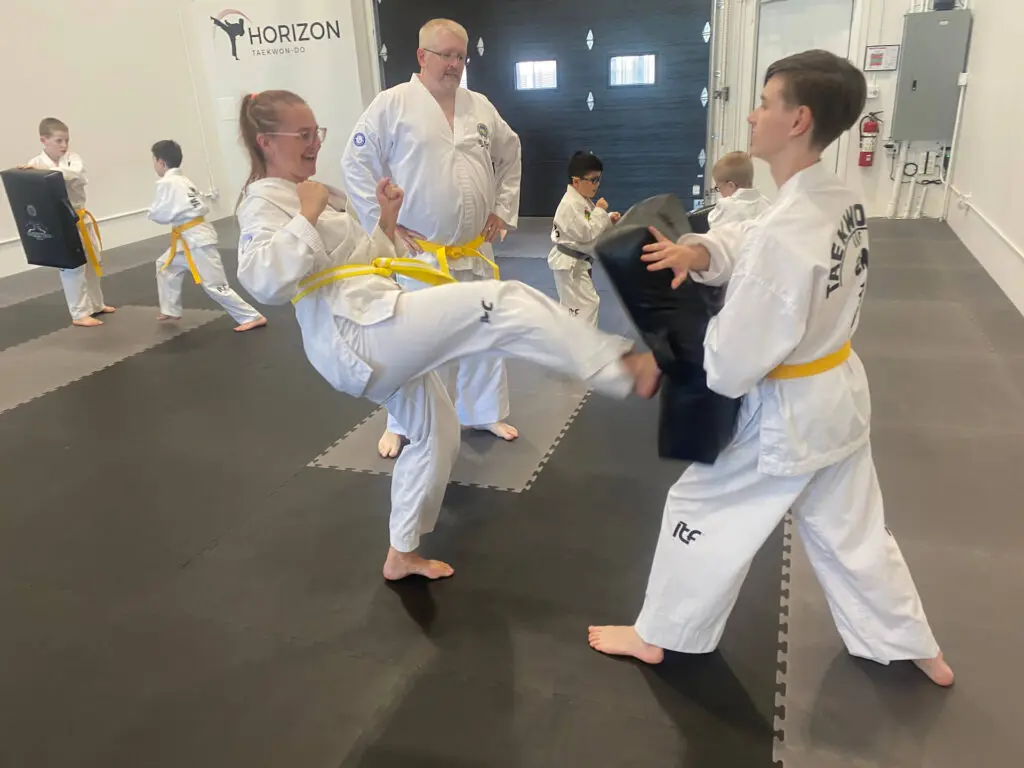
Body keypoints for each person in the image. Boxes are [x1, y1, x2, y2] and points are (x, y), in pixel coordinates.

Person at [588, 50, 954, 687]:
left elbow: (730, 365)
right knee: (854, 531)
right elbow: (754, 235)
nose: (753, 115)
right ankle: (907, 643)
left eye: (764, 102)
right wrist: (701, 251)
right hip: (839, 398)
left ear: (798, 120)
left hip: (788, 418)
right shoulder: (836, 197)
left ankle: (658, 635)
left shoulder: (787, 233)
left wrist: (674, 342)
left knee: (698, 507)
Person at [233, 89, 660, 582]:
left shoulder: (315, 192)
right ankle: (617, 367)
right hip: (356, 333)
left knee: (437, 431)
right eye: (303, 135)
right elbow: (263, 280)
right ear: (267, 141)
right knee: (502, 302)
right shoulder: (263, 201)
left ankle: (401, 553)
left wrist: (386, 221)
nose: (314, 144)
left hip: (370, 318)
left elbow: (355, 263)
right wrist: (305, 216)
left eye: (317, 133)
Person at [341, 17, 522, 460]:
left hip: (475, 250)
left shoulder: (479, 106)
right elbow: (354, 163)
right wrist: (384, 223)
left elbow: (510, 151)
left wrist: (502, 207)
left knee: (484, 333)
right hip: (420, 253)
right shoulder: (393, 104)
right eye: (446, 55)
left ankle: (481, 411)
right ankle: (403, 423)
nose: (455, 64)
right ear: (422, 56)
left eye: (461, 56)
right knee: (415, 343)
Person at [148, 140, 266, 331]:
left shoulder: (167, 183)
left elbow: (161, 213)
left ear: (161, 162)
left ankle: (251, 316)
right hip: (189, 237)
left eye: (154, 161)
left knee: (215, 285)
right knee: (165, 266)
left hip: (196, 238)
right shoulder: (183, 180)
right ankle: (170, 309)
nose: (154, 165)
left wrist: (152, 213)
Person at [22, 118, 115, 327]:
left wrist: (42, 174)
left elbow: (77, 174)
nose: (64, 145)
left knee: (93, 261)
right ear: (44, 140)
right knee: (73, 267)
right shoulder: (35, 163)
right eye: (59, 141)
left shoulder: (73, 158)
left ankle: (96, 304)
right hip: (59, 221)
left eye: (66, 140)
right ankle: (79, 313)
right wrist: (33, 174)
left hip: (81, 217)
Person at [547, 151, 621, 326]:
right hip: (568, 264)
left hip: (576, 262)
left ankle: (579, 339)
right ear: (576, 181)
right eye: (593, 180)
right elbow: (587, 232)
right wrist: (601, 211)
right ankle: (580, 340)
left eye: (598, 179)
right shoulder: (570, 205)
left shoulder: (581, 200)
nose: (597, 185)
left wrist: (608, 218)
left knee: (581, 306)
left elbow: (589, 224)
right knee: (583, 306)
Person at [707, 151, 772, 228]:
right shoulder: (766, 203)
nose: (720, 192)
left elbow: (714, 227)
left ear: (731, 185)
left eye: (719, 188)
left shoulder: (726, 206)